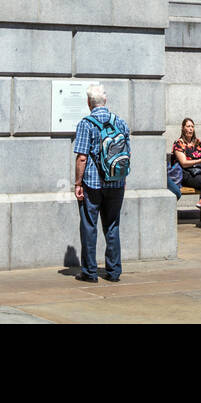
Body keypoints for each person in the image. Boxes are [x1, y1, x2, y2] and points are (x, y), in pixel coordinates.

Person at [73, 83, 130, 284]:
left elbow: (82, 157)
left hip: (92, 184)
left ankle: (90, 272)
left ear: (89, 103)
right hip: (116, 183)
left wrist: (77, 183)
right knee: (112, 226)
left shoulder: (85, 124)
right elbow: (127, 154)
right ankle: (113, 272)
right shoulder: (120, 123)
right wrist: (122, 179)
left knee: (89, 226)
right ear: (105, 101)